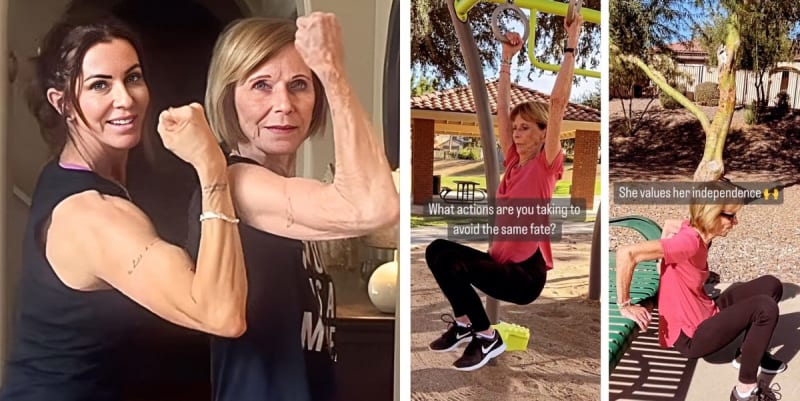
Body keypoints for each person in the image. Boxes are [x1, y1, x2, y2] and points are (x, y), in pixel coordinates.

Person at [0, 19, 248, 401]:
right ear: (62, 103)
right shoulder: (91, 215)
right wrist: (211, 164)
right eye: (100, 85)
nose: (126, 99)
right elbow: (221, 315)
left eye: (132, 78)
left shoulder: (69, 173)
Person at [186, 13, 399, 401]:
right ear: (228, 97)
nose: (283, 105)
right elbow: (373, 206)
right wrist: (332, 71)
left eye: (299, 84)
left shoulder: (286, 189)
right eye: (261, 86)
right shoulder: (236, 184)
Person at [424, 16, 584, 371]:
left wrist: (571, 43)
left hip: (525, 276)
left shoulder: (546, 164)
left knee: (454, 264)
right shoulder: (513, 162)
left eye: (525, 128)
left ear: (543, 133)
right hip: (501, 265)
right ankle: (465, 324)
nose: (518, 133)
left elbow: (557, 103)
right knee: (436, 250)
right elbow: (501, 115)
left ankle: (486, 337)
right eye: (516, 128)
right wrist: (506, 60)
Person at [616, 181, 785, 401]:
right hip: (693, 336)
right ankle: (744, 391)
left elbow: (669, 224)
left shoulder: (695, 229)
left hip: (707, 311)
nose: (735, 222)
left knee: (771, 285)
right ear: (711, 214)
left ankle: (749, 354)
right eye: (730, 216)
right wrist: (625, 305)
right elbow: (626, 254)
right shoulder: (688, 242)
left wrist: (663, 266)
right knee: (765, 308)